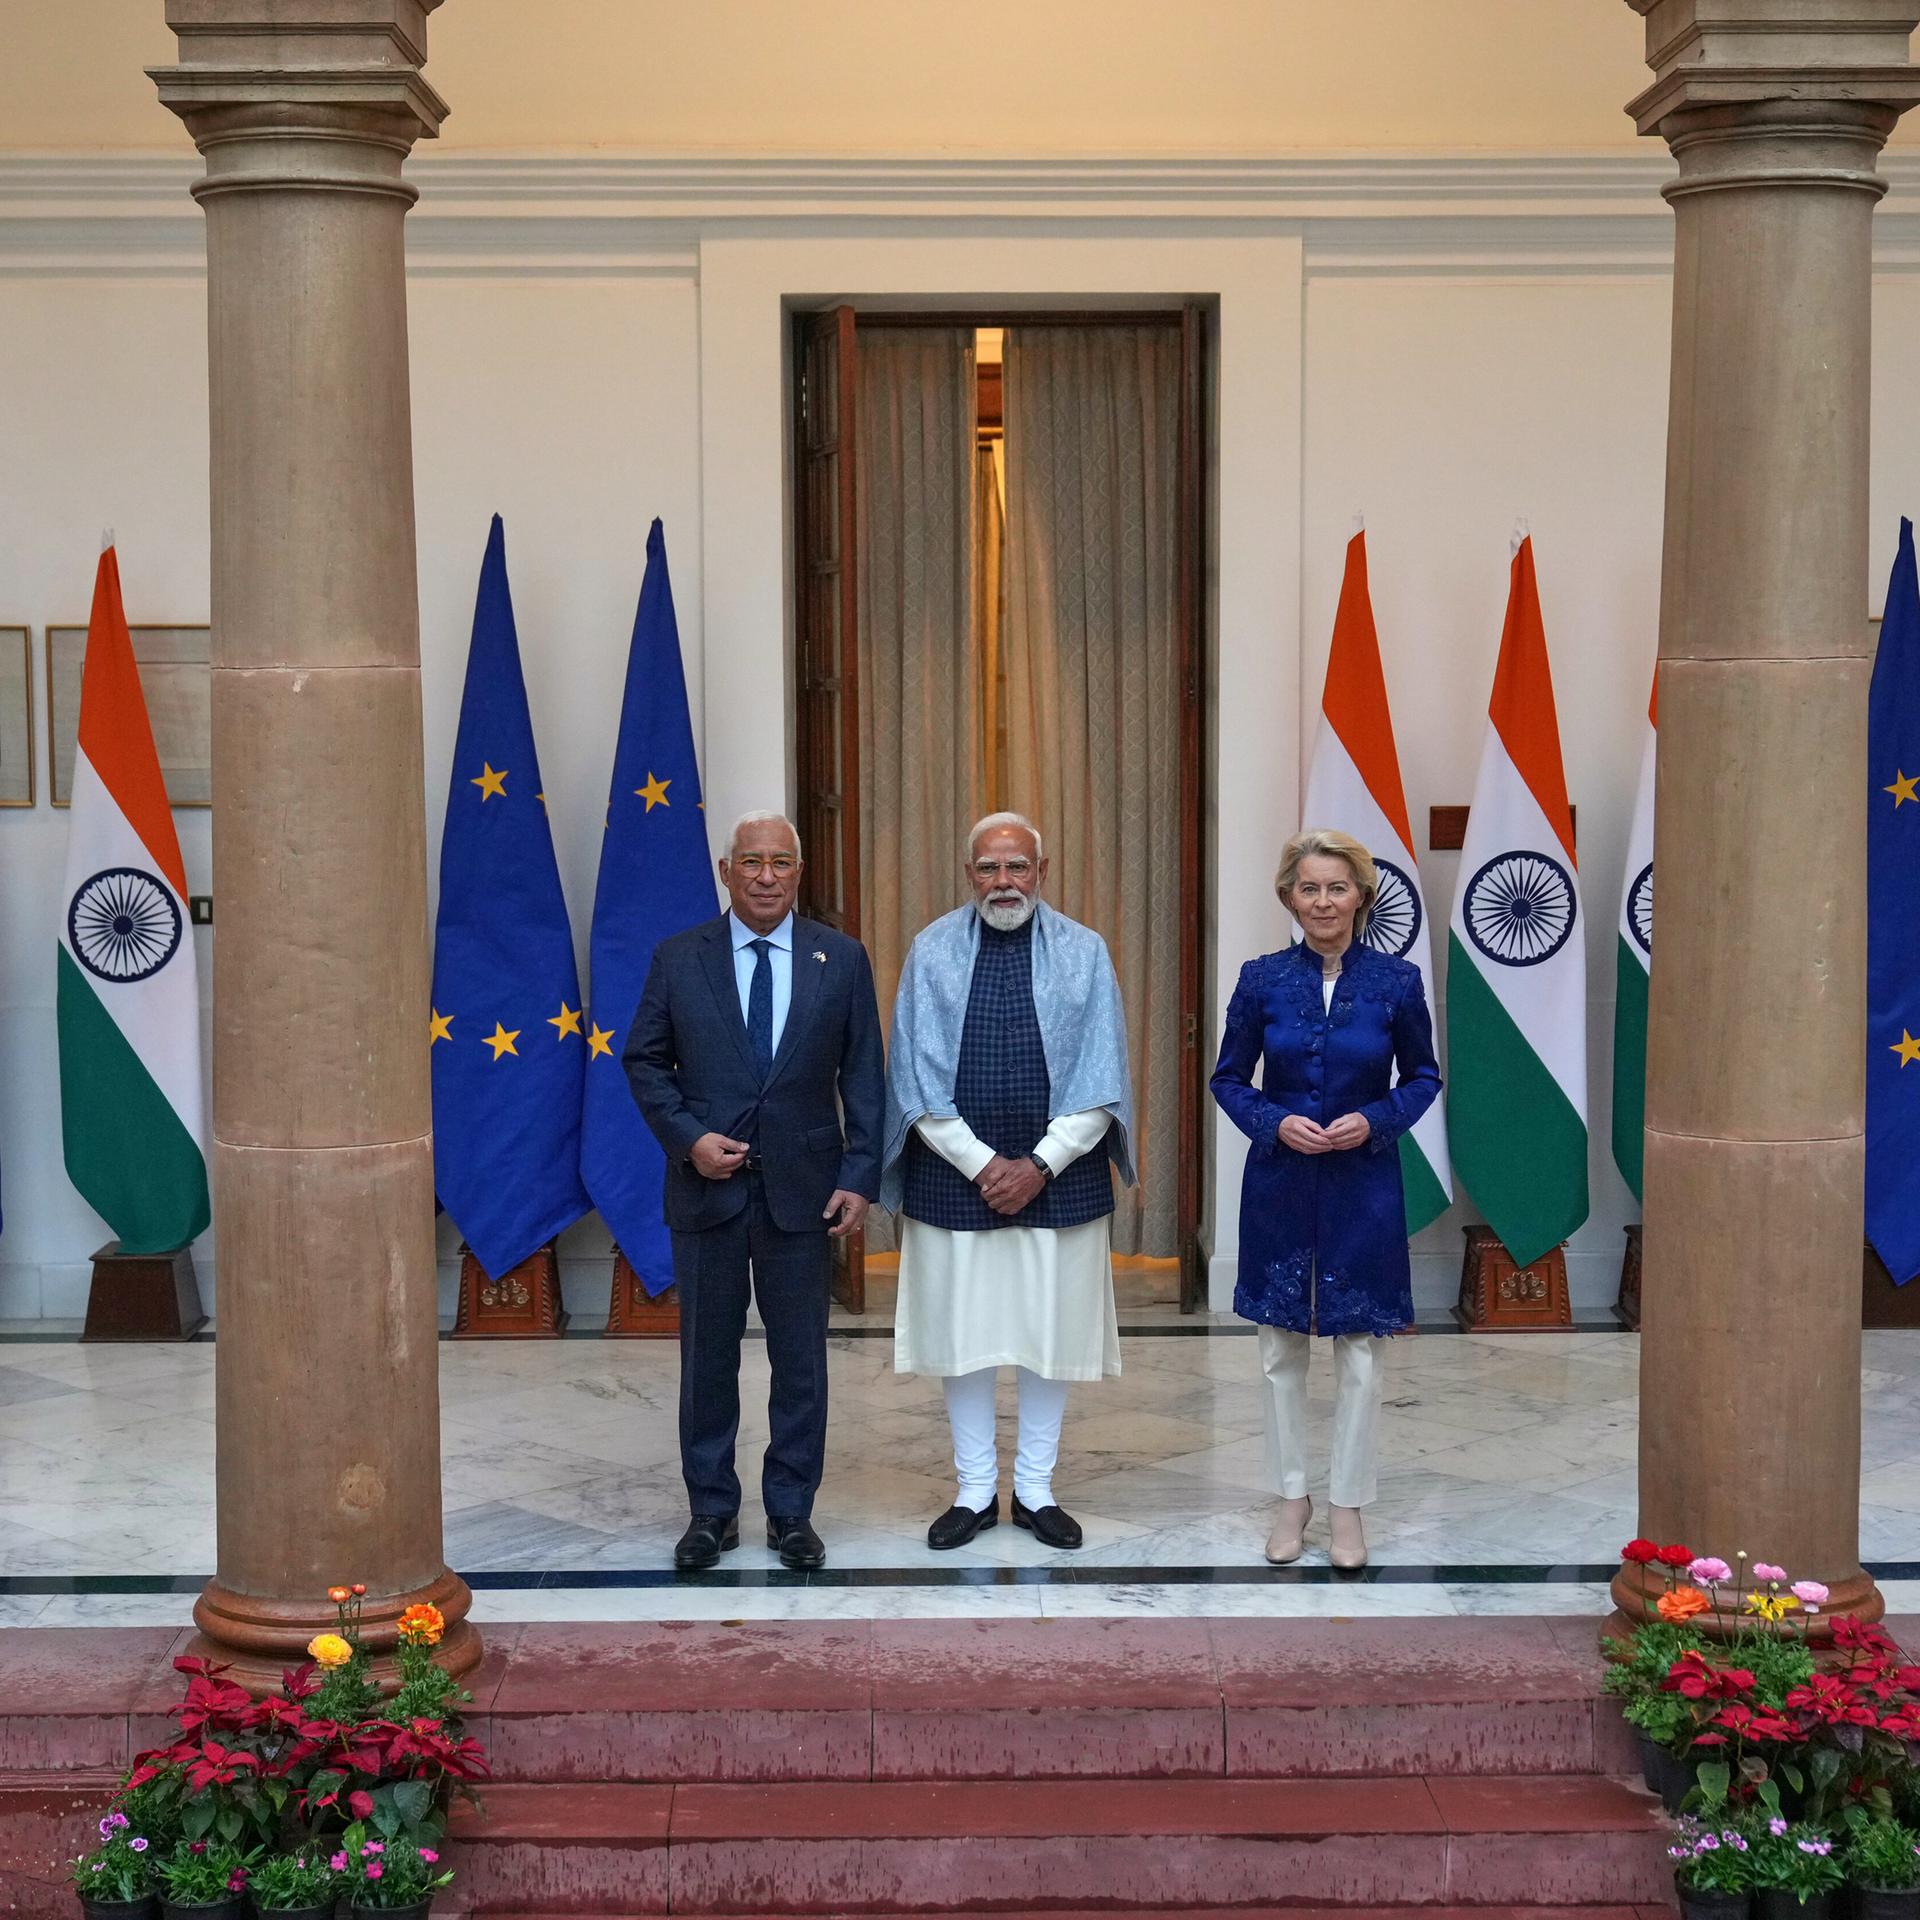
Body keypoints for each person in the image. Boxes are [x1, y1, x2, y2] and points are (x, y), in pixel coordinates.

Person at [624, 809, 884, 1571]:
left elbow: (864, 1075)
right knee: (708, 1361)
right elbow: (644, 1061)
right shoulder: (679, 958)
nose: (766, 875)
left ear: (798, 872)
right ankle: (711, 1512)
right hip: (707, 1193)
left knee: (800, 1361)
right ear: (725, 871)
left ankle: (791, 1512)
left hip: (806, 1195)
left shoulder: (841, 958)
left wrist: (859, 1176)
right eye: (751, 862)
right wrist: (688, 1139)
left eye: (780, 862)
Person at [882, 811, 1135, 1552]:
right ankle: (971, 1490)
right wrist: (982, 1164)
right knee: (962, 1335)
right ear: (970, 876)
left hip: (1059, 1177)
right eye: (989, 869)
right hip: (954, 1178)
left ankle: (1033, 1489)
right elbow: (914, 1076)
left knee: (1045, 1333)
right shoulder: (931, 950)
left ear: (1042, 871)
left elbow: (1102, 1074)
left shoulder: (1084, 953)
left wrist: (1041, 1164)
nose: (1003, 882)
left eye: (1017, 867)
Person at [1210, 827, 1441, 1571]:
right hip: (1279, 1182)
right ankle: (1291, 1499)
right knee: (1279, 1350)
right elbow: (1228, 1079)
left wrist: (1374, 1121)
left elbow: (1425, 1078)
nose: (1322, 901)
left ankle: (1347, 1505)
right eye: (1308, 887)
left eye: (1336, 887)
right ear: (1288, 896)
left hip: (1365, 1184)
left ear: (1361, 897)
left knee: (1361, 1355)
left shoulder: (1397, 983)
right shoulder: (1261, 980)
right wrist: (1274, 1122)